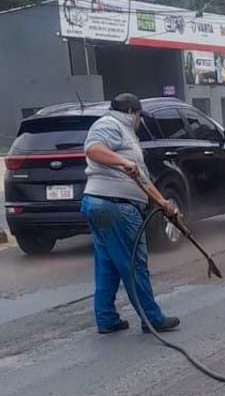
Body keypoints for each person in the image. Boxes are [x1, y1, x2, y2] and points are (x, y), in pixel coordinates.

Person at [81, 92, 180, 335]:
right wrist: (122, 162)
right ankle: (152, 319)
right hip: (116, 207)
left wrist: (162, 203)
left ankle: (106, 318)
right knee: (135, 264)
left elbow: (141, 178)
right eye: (139, 116)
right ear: (132, 113)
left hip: (101, 204)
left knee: (108, 264)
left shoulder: (127, 135)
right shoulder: (110, 124)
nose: (139, 121)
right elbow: (93, 149)